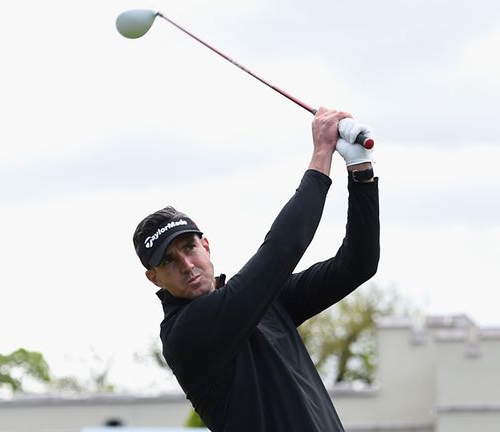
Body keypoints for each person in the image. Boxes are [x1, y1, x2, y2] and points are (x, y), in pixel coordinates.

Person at [132, 107, 380, 431]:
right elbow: (281, 250)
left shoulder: (264, 303)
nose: (187, 264)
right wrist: (322, 154)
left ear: (205, 246)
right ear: (154, 278)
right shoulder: (186, 333)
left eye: (189, 248)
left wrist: (360, 170)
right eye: (168, 261)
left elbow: (357, 265)